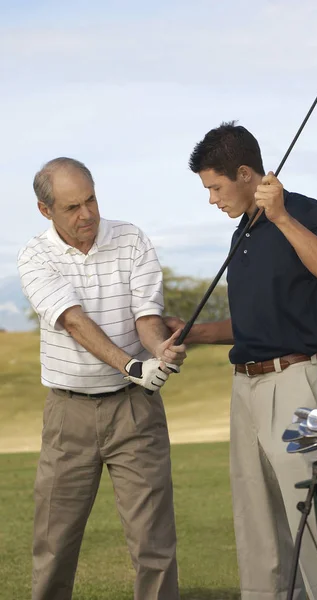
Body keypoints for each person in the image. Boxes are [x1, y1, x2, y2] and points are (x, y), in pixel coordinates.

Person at [166, 121, 317, 600]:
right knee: (256, 522)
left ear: (245, 173)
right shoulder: (241, 235)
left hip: (296, 384)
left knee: (306, 517)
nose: (211, 199)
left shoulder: (303, 211)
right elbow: (253, 321)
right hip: (245, 388)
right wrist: (193, 332)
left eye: (214, 187)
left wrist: (284, 218)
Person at [17, 157, 186, 600]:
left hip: (135, 410)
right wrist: (130, 364)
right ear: (45, 210)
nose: (87, 213)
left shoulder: (131, 240)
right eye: (72, 207)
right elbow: (73, 321)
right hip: (68, 414)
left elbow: (146, 317)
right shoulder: (35, 255)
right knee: (54, 544)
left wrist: (157, 350)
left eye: (90, 199)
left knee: (153, 545)